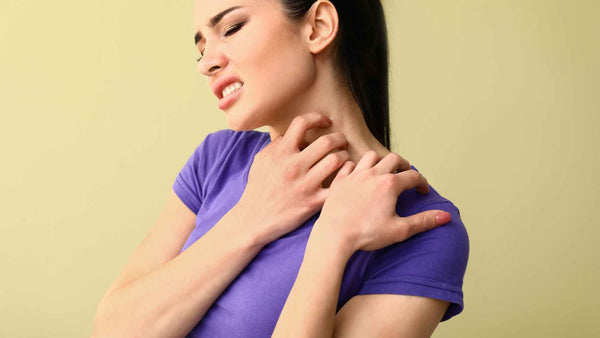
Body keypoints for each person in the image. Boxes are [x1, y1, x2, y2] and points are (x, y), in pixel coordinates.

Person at [92, 0, 470, 337]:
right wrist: (252, 217)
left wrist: (332, 239)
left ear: (318, 26)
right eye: (202, 46)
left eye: (231, 28)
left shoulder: (422, 228)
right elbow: (112, 331)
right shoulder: (217, 159)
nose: (206, 63)